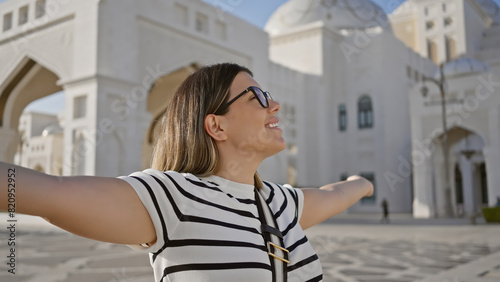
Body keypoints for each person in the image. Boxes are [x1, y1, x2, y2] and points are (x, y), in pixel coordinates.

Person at [1, 63, 373, 281]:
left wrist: (362, 184)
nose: (274, 105)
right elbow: (47, 193)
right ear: (217, 126)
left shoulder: (279, 202)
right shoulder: (174, 199)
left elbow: (336, 193)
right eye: (257, 97)